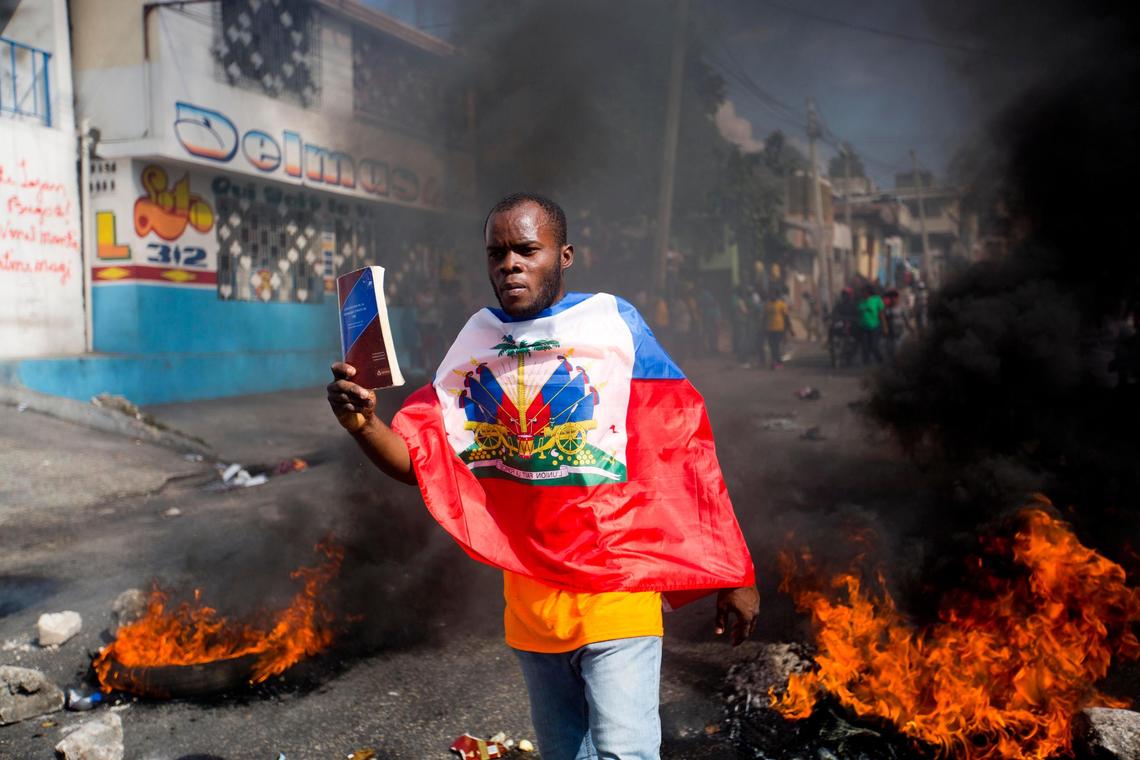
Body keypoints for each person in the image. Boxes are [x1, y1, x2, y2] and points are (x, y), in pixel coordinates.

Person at [327, 193, 758, 760]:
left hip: (617, 590)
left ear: (564, 255)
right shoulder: (475, 344)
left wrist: (733, 570)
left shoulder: (612, 325)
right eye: (496, 253)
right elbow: (423, 463)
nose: (510, 264)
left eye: (527, 250)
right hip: (532, 609)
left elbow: (682, 448)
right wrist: (363, 426)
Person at [856, 285, 886, 365]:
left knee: (874, 346)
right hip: (864, 327)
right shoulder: (861, 302)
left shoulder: (877, 300)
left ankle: (881, 360)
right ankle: (866, 363)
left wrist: (884, 326)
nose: (862, 294)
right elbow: (858, 314)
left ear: (868, 293)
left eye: (864, 292)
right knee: (865, 346)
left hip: (875, 326)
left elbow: (881, 314)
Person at [763, 288, 790, 369]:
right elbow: (764, 317)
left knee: (776, 346)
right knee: (771, 346)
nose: (771, 296)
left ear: (776, 295)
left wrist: (787, 329)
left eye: (773, 294)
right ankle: (776, 361)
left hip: (779, 328)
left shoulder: (781, 304)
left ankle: (777, 362)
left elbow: (786, 317)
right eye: (770, 294)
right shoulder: (767, 305)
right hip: (769, 328)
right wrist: (763, 328)